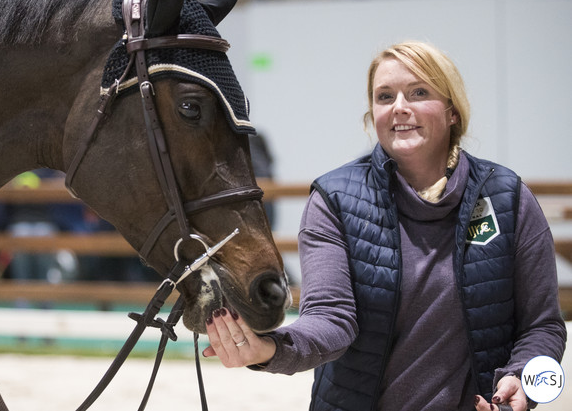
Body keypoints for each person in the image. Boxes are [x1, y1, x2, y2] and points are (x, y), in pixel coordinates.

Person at [203, 41, 567, 411]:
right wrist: (272, 348)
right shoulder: (335, 200)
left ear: (452, 111)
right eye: (384, 96)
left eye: (419, 92)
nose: (399, 108)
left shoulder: (508, 197)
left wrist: (521, 377)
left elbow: (543, 327)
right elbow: (331, 319)